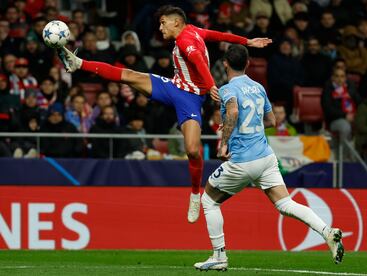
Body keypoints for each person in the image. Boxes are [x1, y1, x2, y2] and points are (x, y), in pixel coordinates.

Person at [57, 5, 272, 223]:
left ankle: (195, 194)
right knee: (130, 76)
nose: (160, 28)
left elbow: (197, 58)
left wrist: (211, 86)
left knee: (192, 150)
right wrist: (246, 41)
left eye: (163, 22)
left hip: (190, 99)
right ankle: (78, 63)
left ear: (176, 22)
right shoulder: (194, 31)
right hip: (173, 87)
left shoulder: (185, 41)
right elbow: (219, 35)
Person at [194, 45, 344, 271]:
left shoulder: (227, 89)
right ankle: (327, 231)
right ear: (247, 64)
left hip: (243, 161)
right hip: (265, 157)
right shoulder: (258, 87)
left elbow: (233, 112)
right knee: (285, 203)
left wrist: (225, 141)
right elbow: (271, 121)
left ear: (225, 64)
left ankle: (219, 256)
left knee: (209, 200)